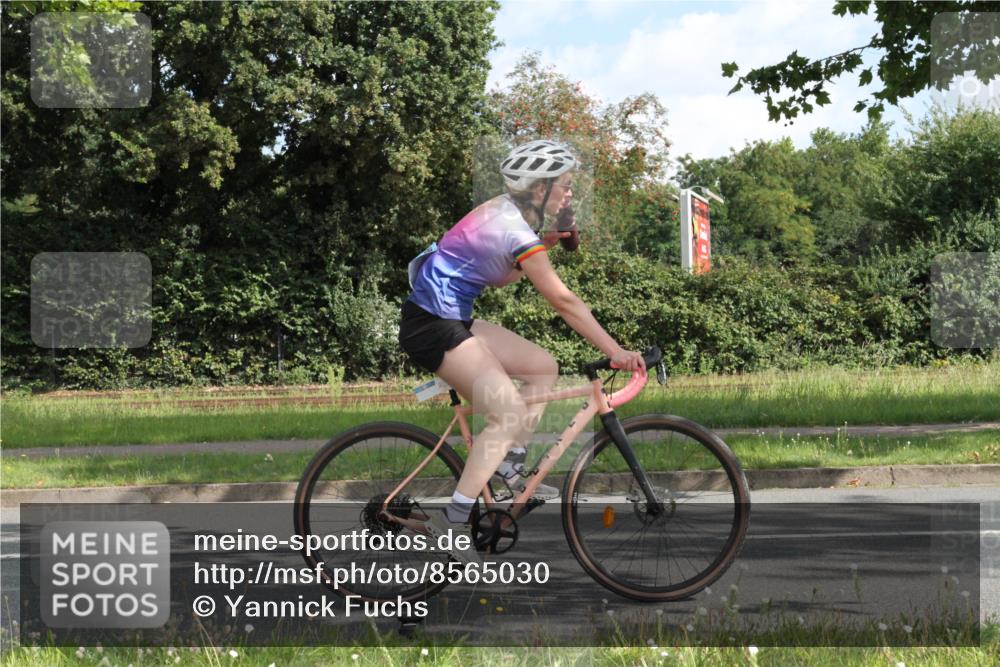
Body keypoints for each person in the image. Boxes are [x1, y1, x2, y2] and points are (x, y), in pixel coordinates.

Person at [397, 139, 646, 563]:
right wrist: (616, 350)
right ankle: (450, 524)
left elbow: (501, 274)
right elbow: (564, 301)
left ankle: (509, 466)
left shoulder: (508, 216)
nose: (570, 193)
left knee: (542, 366)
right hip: (432, 326)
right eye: (564, 185)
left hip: (450, 318)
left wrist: (544, 241)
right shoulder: (510, 226)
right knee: (508, 411)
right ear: (539, 189)